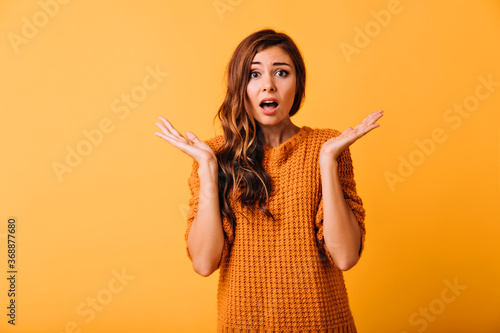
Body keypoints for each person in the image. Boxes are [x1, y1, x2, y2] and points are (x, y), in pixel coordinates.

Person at [154, 28, 383, 332]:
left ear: (297, 84)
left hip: (324, 324)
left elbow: (345, 257)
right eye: (254, 74)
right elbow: (204, 263)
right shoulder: (212, 154)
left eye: (281, 73)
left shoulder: (329, 146)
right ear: (240, 86)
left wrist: (326, 162)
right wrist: (208, 170)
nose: (269, 85)